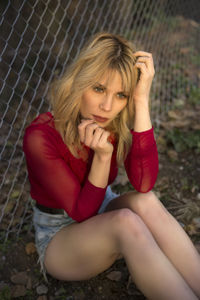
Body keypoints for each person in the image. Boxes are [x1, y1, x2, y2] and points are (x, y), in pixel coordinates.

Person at [23, 32, 200, 299]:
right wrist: (103, 157)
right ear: (79, 82)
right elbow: (81, 213)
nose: (107, 106)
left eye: (121, 95)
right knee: (125, 223)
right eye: (98, 89)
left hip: (102, 208)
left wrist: (140, 100)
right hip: (60, 235)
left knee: (147, 201)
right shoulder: (41, 136)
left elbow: (143, 183)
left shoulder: (113, 121)